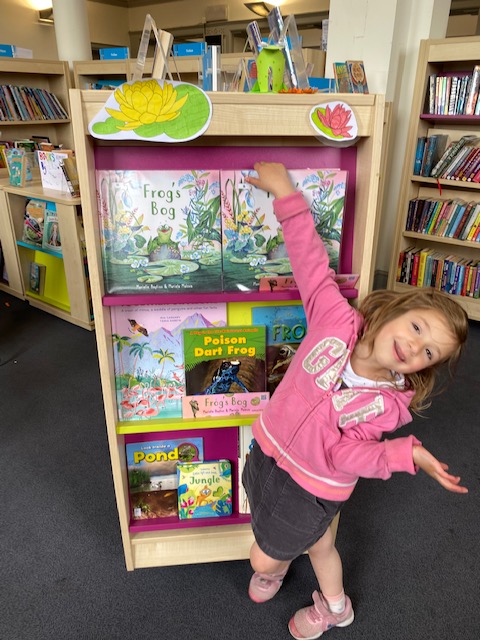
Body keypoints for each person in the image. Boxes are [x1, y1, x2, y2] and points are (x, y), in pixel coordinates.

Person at [241, 161, 469, 640]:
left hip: (314, 485)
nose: (413, 347)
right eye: (416, 328)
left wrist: (403, 453)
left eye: (428, 352)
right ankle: (336, 604)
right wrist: (286, 193)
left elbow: (345, 454)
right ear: (397, 311)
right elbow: (309, 263)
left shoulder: (386, 405)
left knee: (267, 551)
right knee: (314, 541)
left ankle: (312, 594)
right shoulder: (334, 321)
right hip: (269, 451)